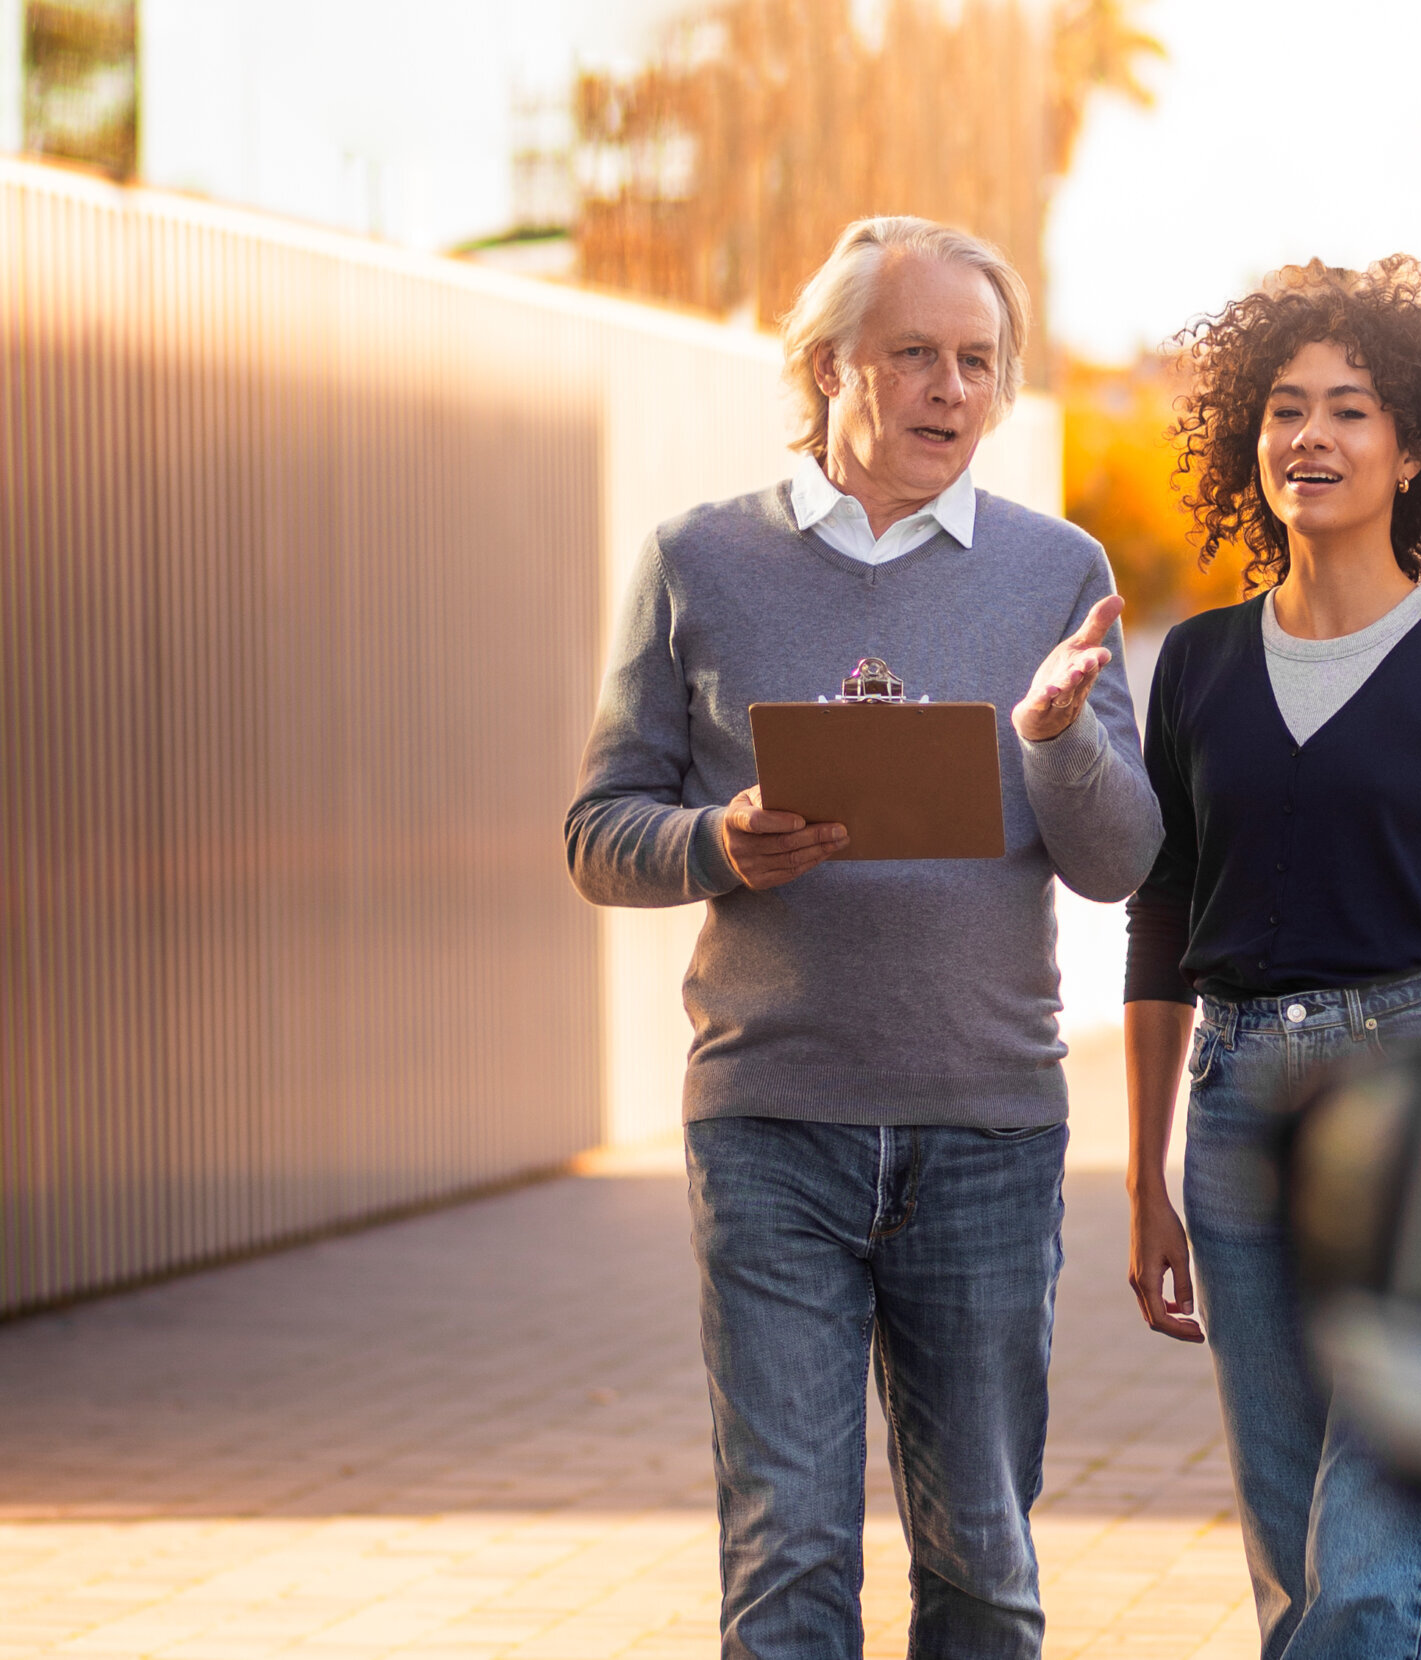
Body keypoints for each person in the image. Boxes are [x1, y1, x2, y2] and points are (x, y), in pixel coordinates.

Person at [566, 215, 1162, 1660]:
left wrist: (1058, 741)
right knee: (786, 1563)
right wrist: (718, 842)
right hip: (773, 1128)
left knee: (984, 1569)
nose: (949, 389)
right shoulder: (696, 560)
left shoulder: (1055, 570)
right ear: (829, 365)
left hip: (986, 1133)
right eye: (915, 355)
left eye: (976, 360)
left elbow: (1121, 860)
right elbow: (600, 832)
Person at [1121, 256, 1421, 1660]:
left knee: (1374, 1571)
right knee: (1297, 1571)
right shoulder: (1195, 667)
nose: (1308, 436)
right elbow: (1161, 918)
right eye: (1283, 408)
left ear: (1416, 447)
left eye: (1351, 410)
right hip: (1239, 1101)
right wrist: (1144, 1173)